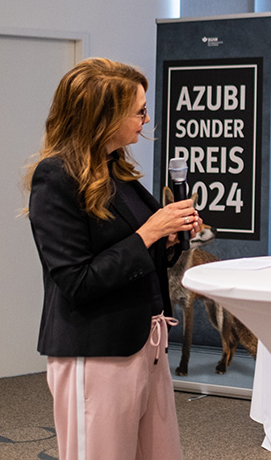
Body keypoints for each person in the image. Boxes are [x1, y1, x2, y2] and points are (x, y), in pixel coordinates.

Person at [25, 57, 200, 460]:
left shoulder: (117, 169)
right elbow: (77, 282)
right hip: (97, 349)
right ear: (104, 115)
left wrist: (168, 236)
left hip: (144, 341)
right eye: (139, 110)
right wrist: (150, 232)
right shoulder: (55, 178)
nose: (146, 118)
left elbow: (139, 253)